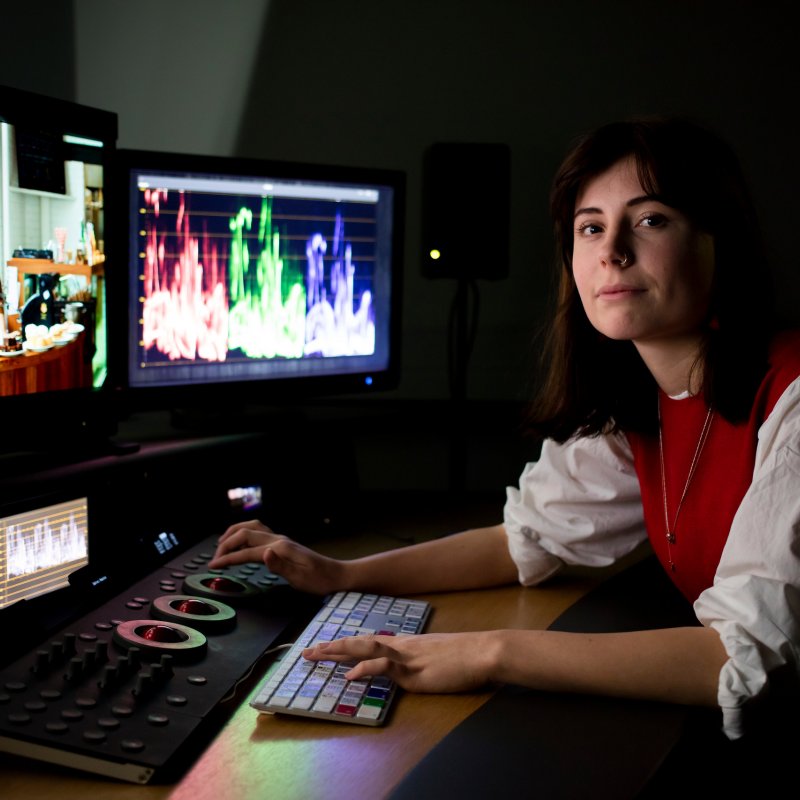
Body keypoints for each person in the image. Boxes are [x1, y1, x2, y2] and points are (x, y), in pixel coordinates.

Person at [210, 117, 800, 741]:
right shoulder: (640, 402)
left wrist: (489, 652)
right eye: (591, 227)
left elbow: (746, 657)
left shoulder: (790, 396)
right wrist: (343, 574)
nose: (613, 251)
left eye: (650, 219)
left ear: (718, 238)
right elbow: (526, 538)